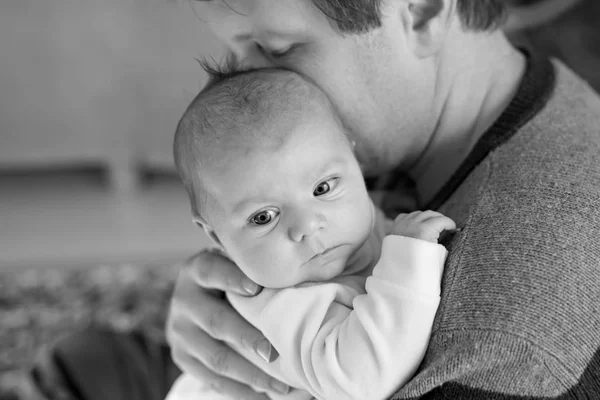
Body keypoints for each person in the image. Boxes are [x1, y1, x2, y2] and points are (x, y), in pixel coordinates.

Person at [165, 0, 600, 399]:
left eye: (276, 48)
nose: (251, 81)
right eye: (236, 51)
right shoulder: (397, 131)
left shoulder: (498, 334)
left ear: (423, 10)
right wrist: (226, 304)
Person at [166, 68, 455, 400]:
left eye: (322, 188)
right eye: (263, 217)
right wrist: (410, 258)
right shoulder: (281, 303)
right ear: (216, 238)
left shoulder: (362, 220)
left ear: (355, 158)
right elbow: (363, 380)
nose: (306, 225)